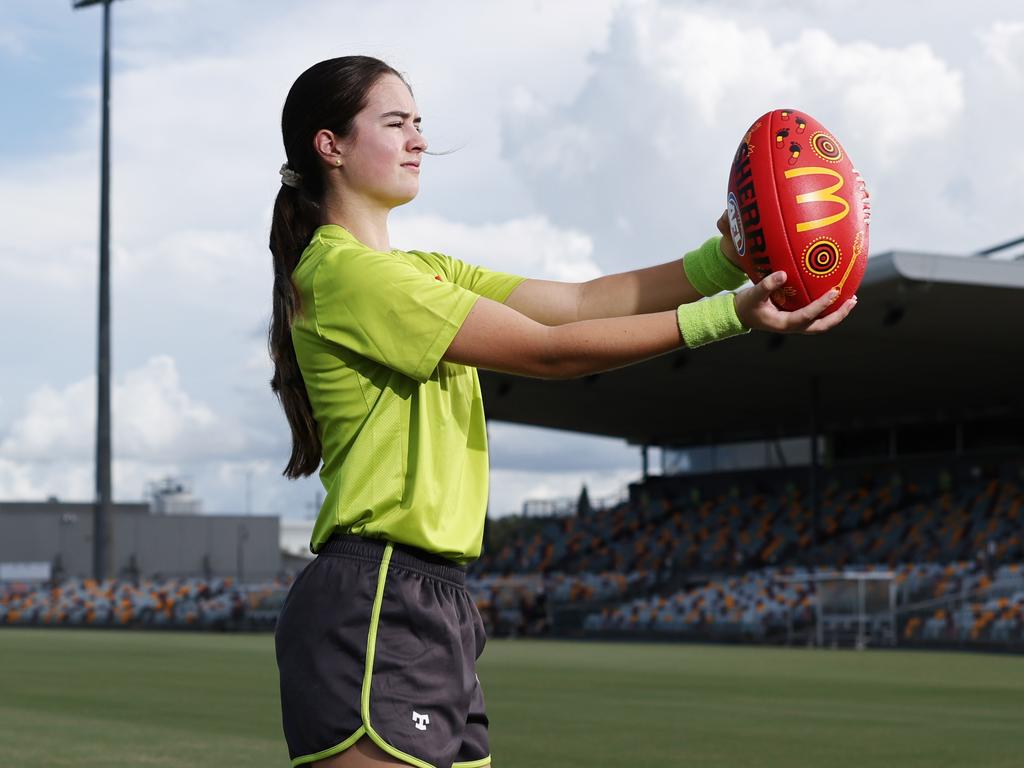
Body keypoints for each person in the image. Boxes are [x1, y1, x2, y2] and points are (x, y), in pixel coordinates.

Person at [269, 56, 857, 768]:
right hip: (376, 599)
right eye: (396, 123)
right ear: (328, 146)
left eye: (420, 122)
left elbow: (579, 303)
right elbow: (553, 350)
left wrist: (729, 256)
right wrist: (729, 316)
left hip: (437, 600)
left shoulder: (424, 271)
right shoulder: (345, 274)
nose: (419, 139)